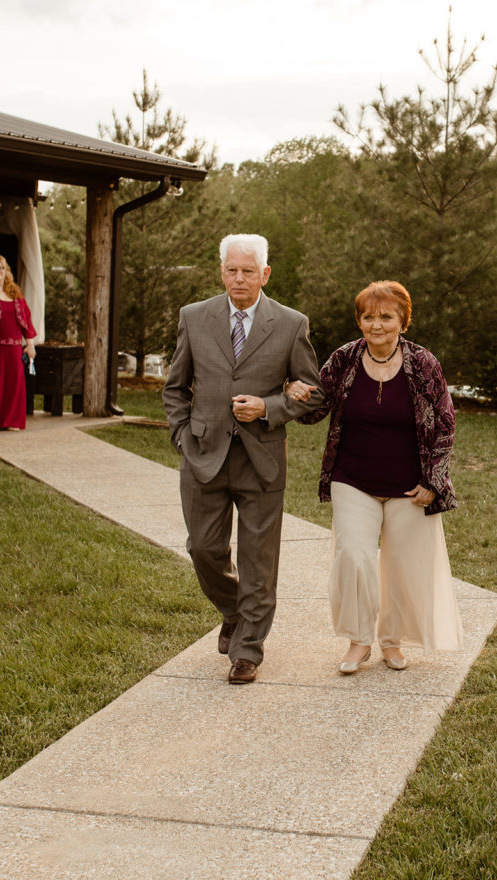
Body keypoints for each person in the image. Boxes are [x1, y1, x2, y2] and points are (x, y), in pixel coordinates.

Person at [162, 234, 322, 685]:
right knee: (202, 549)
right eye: (231, 270)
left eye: (248, 271)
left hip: (261, 460)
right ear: (222, 271)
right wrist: (182, 435)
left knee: (259, 562)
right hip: (203, 456)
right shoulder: (194, 317)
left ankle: (248, 649)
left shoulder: (290, 324)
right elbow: (175, 388)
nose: (239, 278)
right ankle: (234, 610)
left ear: (264, 274)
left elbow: (313, 392)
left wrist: (269, 407)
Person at [287, 280, 462, 674]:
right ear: (359, 321)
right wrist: (295, 392)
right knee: (353, 555)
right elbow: (315, 411)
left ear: (403, 321)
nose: (376, 324)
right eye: (368, 317)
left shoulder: (424, 363)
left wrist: (433, 482)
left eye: (386, 316)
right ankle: (359, 640)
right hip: (352, 478)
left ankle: (392, 641)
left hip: (410, 485)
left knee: (402, 564)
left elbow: (445, 422)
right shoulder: (345, 359)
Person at [0, 254, 37, 431]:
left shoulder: (16, 294)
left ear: (6, 271)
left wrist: (30, 344)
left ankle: (12, 421)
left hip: (14, 349)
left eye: (0, 267)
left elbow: (27, 320)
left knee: (14, 385)